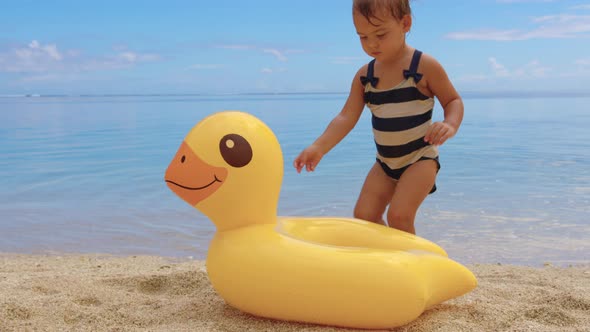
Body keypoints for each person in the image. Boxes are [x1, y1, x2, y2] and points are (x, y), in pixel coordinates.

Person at [293, 0, 464, 234]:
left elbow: (453, 100)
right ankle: (386, 259)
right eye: (363, 37)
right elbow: (346, 117)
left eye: (380, 34)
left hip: (420, 159)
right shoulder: (365, 77)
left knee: (399, 216)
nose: (371, 44)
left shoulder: (424, 66)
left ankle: (413, 262)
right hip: (384, 164)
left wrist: (449, 124)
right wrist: (319, 147)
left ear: (405, 23)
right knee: (364, 215)